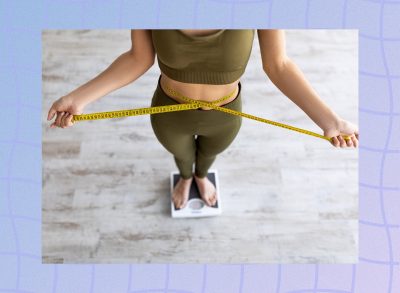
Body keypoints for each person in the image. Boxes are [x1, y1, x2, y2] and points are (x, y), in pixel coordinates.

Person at [47, 29, 359, 210]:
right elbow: (138, 58)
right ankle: (186, 177)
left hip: (225, 114)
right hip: (168, 112)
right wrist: (79, 98)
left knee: (209, 155)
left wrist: (330, 120)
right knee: (181, 155)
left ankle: (201, 176)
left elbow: (278, 64)